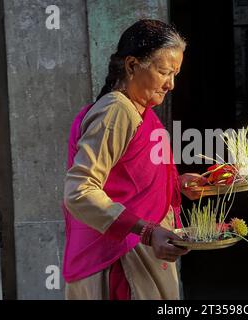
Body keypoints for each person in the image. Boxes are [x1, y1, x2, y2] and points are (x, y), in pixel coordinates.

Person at [62, 19, 194, 300]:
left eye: (175, 74)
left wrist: (177, 183)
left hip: (136, 252)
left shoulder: (138, 110)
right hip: (120, 262)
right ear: (132, 66)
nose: (171, 84)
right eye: (164, 72)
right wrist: (146, 231)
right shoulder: (116, 111)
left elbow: (129, 177)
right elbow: (79, 192)